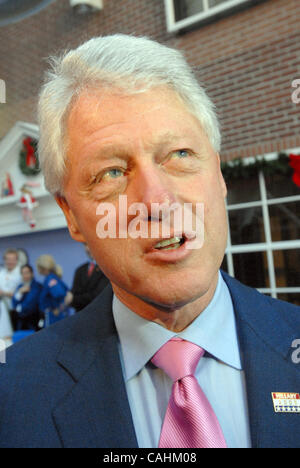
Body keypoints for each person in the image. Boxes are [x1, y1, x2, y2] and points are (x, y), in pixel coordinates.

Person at [0, 35, 299, 449]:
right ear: (71, 214)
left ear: (218, 172)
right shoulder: (13, 392)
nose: (157, 201)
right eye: (112, 173)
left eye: (179, 153)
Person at [67, 244, 109, 312]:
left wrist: (74, 299)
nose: (88, 249)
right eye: (85, 245)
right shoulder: (80, 270)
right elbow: (73, 293)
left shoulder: (106, 269)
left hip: (99, 314)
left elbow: (99, 296)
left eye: (90, 244)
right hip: (81, 315)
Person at [36, 255, 72, 327]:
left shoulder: (51, 279)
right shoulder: (52, 278)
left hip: (54, 317)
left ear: (42, 268)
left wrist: (58, 310)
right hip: (55, 316)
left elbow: (63, 295)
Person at [11, 264, 42, 331]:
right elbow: (13, 303)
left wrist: (17, 308)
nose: (25, 275)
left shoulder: (36, 286)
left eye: (27, 273)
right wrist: (20, 292)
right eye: (23, 273)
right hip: (20, 321)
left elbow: (30, 304)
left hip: (33, 320)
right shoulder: (20, 286)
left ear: (32, 273)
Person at [0, 248, 21, 339]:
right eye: (8, 259)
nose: (10, 261)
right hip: (3, 309)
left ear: (16, 260)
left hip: (16, 311)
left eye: (12, 259)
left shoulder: (21, 273)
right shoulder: (1, 273)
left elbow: (20, 293)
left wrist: (3, 293)